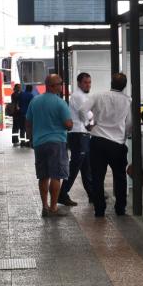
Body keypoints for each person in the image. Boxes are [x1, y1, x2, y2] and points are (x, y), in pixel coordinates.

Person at [25, 74, 72, 217]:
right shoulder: (60, 103)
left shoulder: (35, 101)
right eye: (59, 84)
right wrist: (70, 124)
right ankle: (53, 208)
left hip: (39, 143)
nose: (61, 86)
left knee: (43, 176)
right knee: (56, 176)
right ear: (52, 86)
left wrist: (31, 138)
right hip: (56, 142)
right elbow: (68, 124)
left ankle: (44, 206)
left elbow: (28, 122)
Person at [89, 72, 131, 217]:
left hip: (98, 141)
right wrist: (124, 136)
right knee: (120, 176)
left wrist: (89, 125)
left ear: (111, 83)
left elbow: (82, 109)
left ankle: (99, 209)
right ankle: (120, 208)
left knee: (97, 177)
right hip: (117, 144)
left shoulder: (98, 96)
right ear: (124, 86)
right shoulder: (127, 100)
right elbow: (130, 123)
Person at [58, 72, 94, 207]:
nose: (88, 85)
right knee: (75, 166)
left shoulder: (84, 96)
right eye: (85, 82)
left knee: (86, 167)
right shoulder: (78, 96)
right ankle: (62, 194)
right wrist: (90, 122)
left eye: (89, 82)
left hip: (82, 134)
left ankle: (92, 194)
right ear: (79, 83)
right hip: (78, 134)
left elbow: (89, 112)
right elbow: (85, 112)